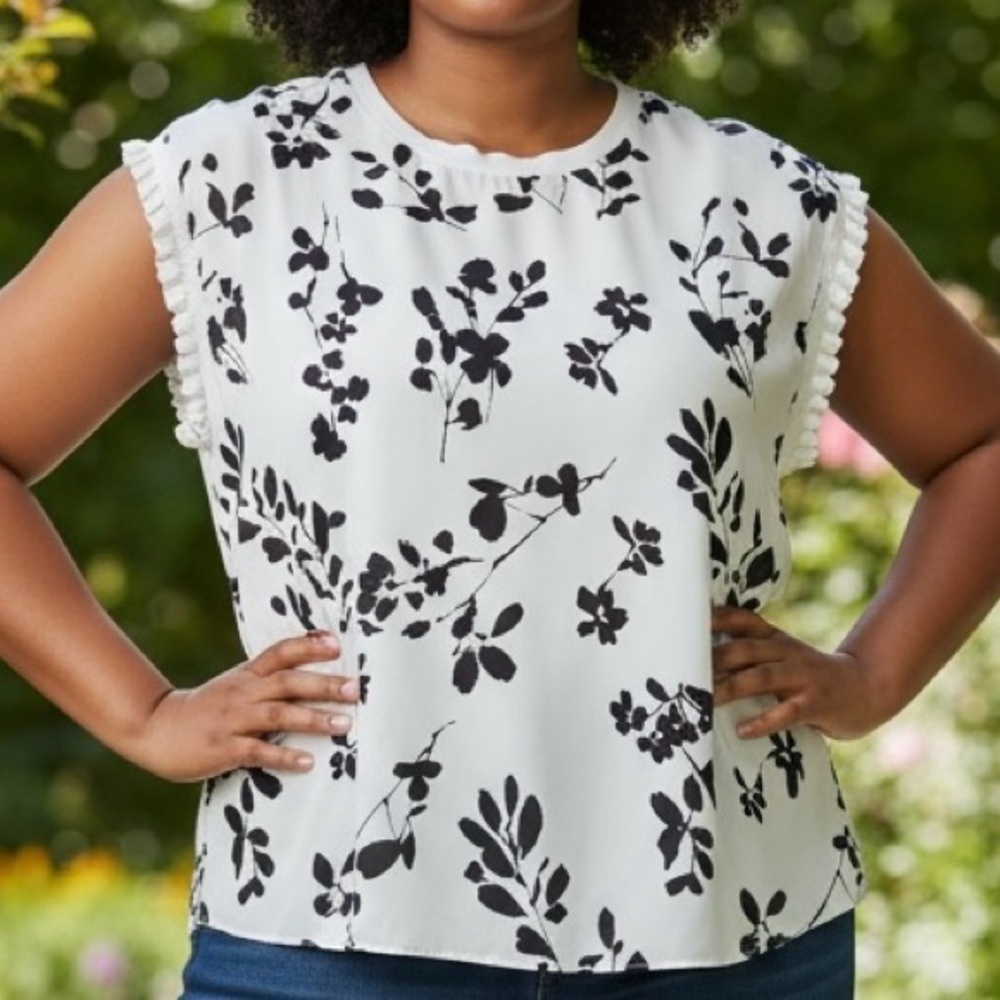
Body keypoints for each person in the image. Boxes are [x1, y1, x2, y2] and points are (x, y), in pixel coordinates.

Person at [1, 1, 998, 997]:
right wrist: (143, 715)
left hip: (730, 930)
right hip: (326, 931)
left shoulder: (770, 204)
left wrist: (876, 673)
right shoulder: (223, 180)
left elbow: (981, 444)